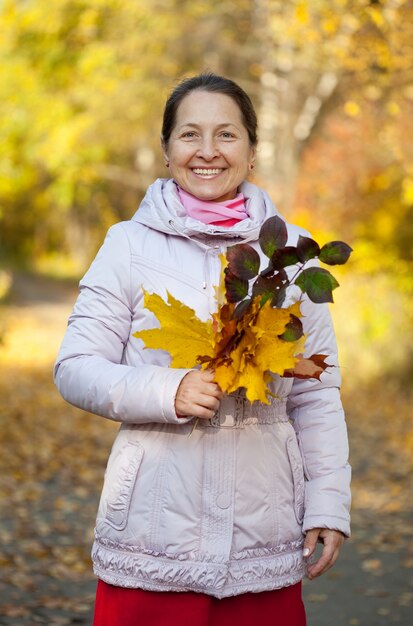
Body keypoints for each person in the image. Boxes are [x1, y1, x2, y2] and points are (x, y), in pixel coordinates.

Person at [54, 72, 351, 626]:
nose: (208, 151)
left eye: (227, 134)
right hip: (153, 537)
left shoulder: (291, 257)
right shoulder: (127, 246)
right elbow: (75, 368)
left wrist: (329, 504)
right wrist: (169, 390)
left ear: (252, 150)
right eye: (190, 135)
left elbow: (317, 396)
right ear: (167, 150)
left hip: (263, 539)